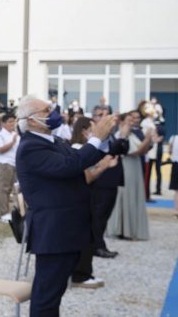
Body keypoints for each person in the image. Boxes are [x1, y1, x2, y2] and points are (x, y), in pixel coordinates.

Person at [15, 95, 115, 316]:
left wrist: (103, 138)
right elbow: (70, 166)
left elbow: (81, 158)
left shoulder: (54, 141)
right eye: (46, 110)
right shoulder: (31, 147)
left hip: (66, 229)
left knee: (55, 291)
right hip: (54, 230)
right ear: (30, 120)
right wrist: (95, 139)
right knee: (46, 294)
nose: (54, 113)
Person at [68, 117, 119, 289]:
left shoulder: (83, 149)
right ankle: (80, 274)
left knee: (89, 234)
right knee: (85, 237)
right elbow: (87, 178)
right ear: (84, 131)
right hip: (81, 200)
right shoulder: (77, 149)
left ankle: (83, 273)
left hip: (85, 198)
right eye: (94, 128)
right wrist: (104, 166)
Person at [90, 106, 130, 258]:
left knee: (105, 214)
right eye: (101, 115)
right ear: (94, 117)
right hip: (101, 180)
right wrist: (122, 138)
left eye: (108, 115)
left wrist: (123, 138)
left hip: (111, 180)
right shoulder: (96, 135)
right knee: (99, 215)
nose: (105, 118)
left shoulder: (111, 135)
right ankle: (97, 246)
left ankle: (99, 244)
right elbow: (106, 152)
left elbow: (122, 150)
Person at [107, 112, 152, 241]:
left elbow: (142, 151)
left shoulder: (132, 135)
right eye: (129, 120)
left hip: (134, 168)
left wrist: (147, 141)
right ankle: (124, 229)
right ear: (121, 122)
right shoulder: (120, 136)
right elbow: (134, 152)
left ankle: (131, 228)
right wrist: (147, 139)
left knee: (134, 196)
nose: (132, 122)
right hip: (126, 169)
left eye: (133, 120)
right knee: (127, 197)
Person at [0, 113, 19, 221]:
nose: (12, 124)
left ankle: (13, 212)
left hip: (14, 163)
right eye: (9, 122)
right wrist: (12, 142)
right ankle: (4, 213)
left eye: (13, 121)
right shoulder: (0, 135)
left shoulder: (16, 134)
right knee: (4, 189)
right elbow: (0, 149)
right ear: (3, 123)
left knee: (13, 189)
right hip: (4, 163)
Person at [169, 134, 178, 217]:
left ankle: (176, 210)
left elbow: (170, 151)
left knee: (176, 190)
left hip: (175, 165)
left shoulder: (173, 138)